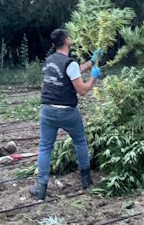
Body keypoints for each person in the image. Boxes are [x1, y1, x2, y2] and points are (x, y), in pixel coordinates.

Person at [29, 29, 102, 200]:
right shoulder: (70, 63)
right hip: (67, 112)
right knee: (80, 142)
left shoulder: (48, 61)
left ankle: (41, 189)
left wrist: (91, 62)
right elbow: (82, 90)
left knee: (45, 148)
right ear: (67, 41)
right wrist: (93, 78)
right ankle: (86, 180)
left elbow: (71, 72)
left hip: (47, 111)